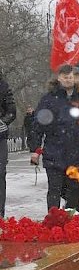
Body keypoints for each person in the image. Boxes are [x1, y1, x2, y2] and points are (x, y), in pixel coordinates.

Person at [29, 64, 79, 212]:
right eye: (65, 77)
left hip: (76, 152)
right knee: (54, 190)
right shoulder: (49, 99)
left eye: (71, 77)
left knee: (74, 191)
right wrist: (35, 149)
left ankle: (71, 224)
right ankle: (53, 221)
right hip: (54, 151)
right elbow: (38, 125)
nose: (68, 80)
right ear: (59, 78)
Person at [0, 72, 16, 218]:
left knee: (0, 174)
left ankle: (0, 215)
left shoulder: (3, 86)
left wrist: (3, 121)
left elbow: (11, 111)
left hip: (0, 138)